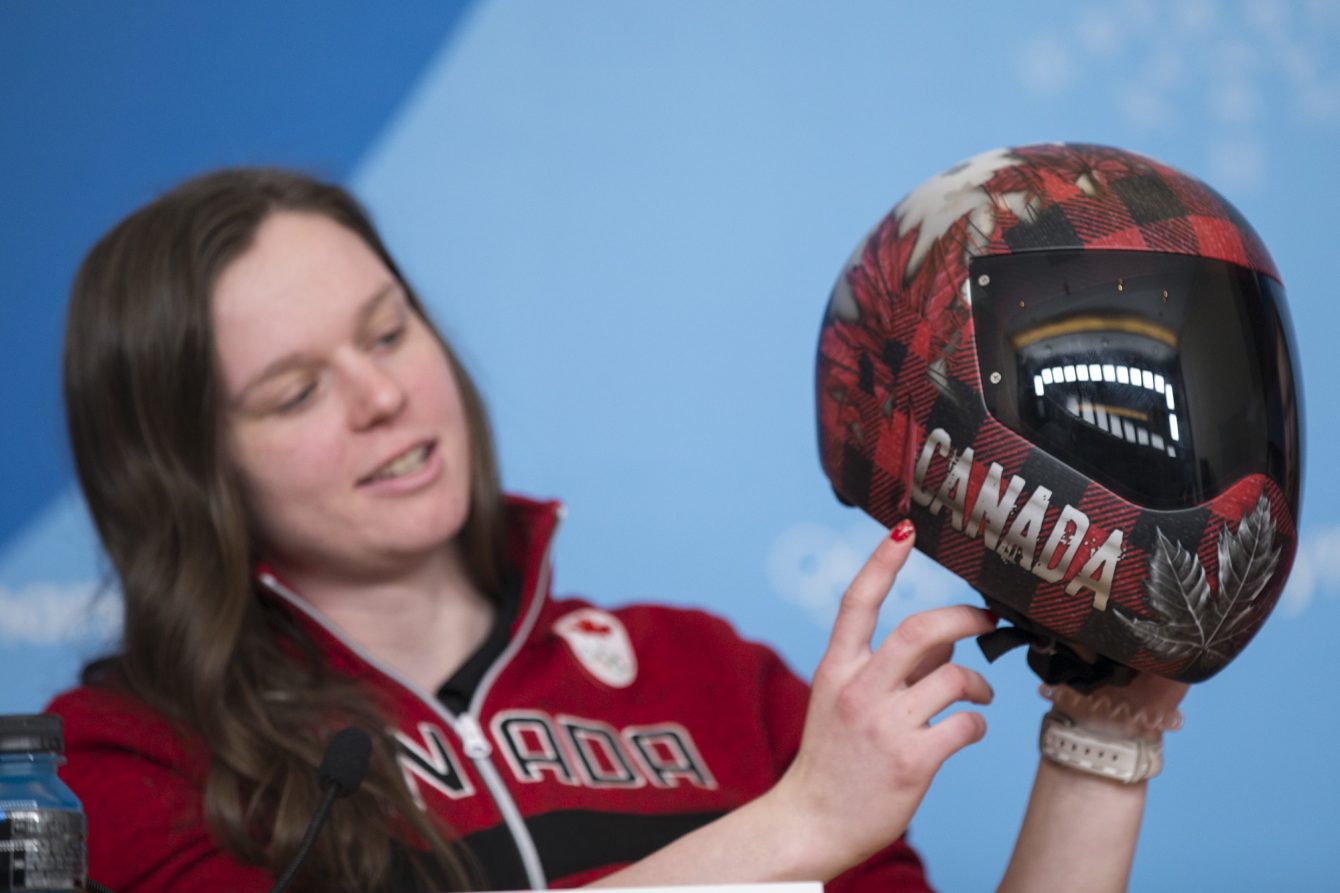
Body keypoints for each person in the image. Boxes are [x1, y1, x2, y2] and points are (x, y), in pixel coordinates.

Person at [48, 167, 1188, 893]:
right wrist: (788, 828)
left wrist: (1107, 735)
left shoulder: (709, 679)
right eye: (294, 392)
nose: (379, 395)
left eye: (387, 332)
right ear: (187, 468)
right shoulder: (110, 761)